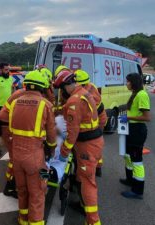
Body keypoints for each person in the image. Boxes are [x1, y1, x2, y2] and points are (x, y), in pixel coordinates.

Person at [5, 70, 57, 225]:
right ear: (42, 88)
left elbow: (9, 126)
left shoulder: (14, 103)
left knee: (22, 190)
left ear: (25, 85)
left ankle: (22, 220)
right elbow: (51, 133)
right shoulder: (46, 105)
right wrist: (52, 149)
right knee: (38, 192)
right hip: (35, 156)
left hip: (16, 155)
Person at [54, 70, 104, 225]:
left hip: (86, 147)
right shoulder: (83, 92)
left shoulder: (74, 101)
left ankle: (93, 221)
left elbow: (73, 132)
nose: (61, 92)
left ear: (65, 86)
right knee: (84, 178)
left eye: (61, 89)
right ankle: (83, 206)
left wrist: (64, 151)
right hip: (93, 142)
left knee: (88, 182)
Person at [119, 73, 151, 199]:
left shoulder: (142, 95)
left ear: (134, 82)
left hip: (137, 130)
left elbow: (147, 117)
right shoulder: (135, 93)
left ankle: (138, 191)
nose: (126, 83)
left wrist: (128, 117)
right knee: (128, 156)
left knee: (137, 160)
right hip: (131, 129)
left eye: (128, 81)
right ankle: (130, 179)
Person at [74, 69, 108, 177]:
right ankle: (97, 166)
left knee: (93, 144)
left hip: (99, 118)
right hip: (100, 116)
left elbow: (87, 112)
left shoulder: (87, 94)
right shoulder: (91, 85)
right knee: (96, 145)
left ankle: (94, 168)